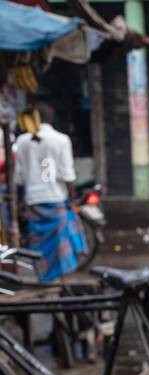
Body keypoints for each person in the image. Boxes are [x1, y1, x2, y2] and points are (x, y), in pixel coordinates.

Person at [12, 103, 85, 281]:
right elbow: (68, 174)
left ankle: (45, 280)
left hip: (33, 200)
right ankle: (62, 282)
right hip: (56, 199)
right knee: (61, 245)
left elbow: (19, 178)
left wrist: (19, 203)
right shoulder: (61, 139)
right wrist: (72, 198)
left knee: (39, 245)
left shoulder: (22, 141)